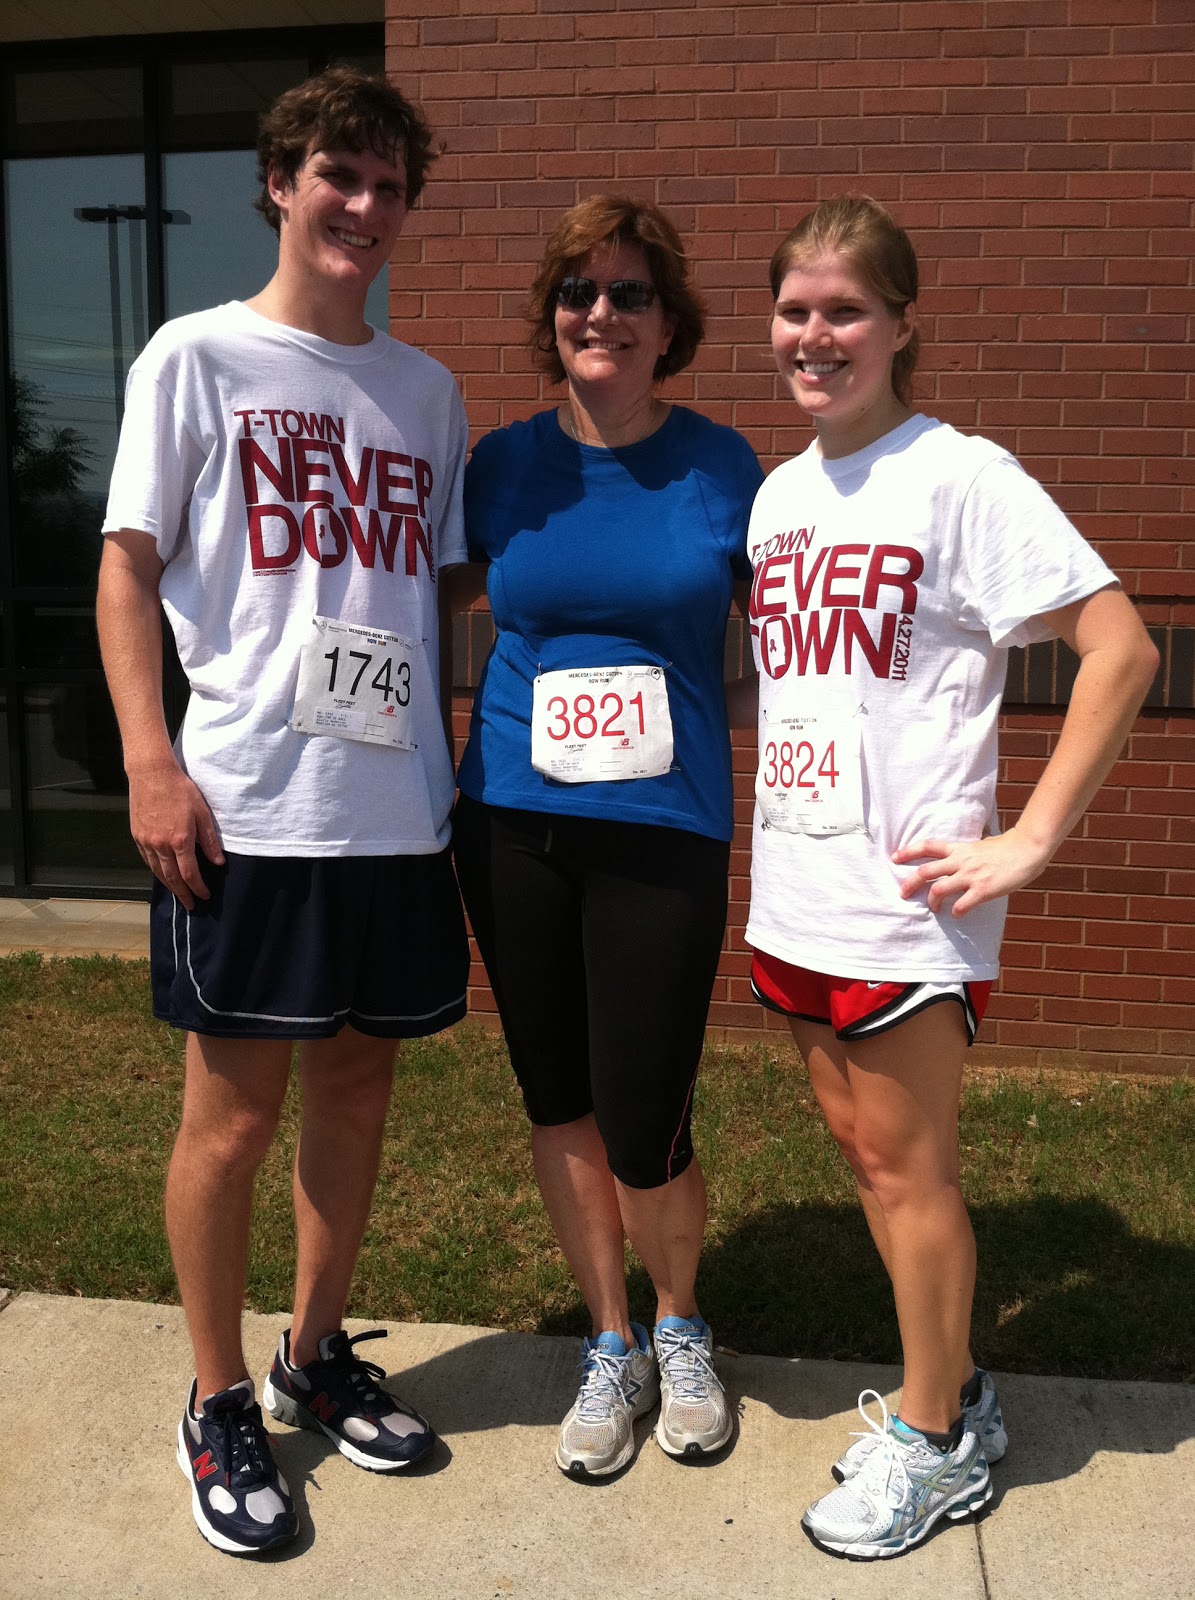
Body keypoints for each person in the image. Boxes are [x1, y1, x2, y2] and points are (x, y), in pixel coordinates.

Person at [742, 195, 1158, 1559]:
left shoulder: (959, 476)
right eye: (794, 311)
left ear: (900, 325)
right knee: (862, 1157)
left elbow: (1119, 649)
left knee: (904, 1167)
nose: (814, 336)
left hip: (905, 903)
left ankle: (935, 1441)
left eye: (844, 311)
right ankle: (951, 1387)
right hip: (798, 887)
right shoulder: (778, 496)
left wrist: (1029, 839)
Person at [96, 67, 470, 1556]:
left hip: (394, 809)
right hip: (248, 805)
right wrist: (150, 761)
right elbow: (128, 569)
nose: (363, 208)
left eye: (388, 187)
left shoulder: (425, 392)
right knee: (233, 1119)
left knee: (358, 1091)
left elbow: (435, 590)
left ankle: (312, 1354)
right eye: (338, 176)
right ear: (279, 182)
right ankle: (214, 1398)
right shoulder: (196, 358)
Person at [449, 195, 763, 1479]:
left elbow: (781, 637)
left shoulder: (722, 466)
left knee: (644, 1109)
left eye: (630, 294)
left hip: (661, 826)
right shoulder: (502, 465)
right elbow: (430, 596)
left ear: (667, 324)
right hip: (511, 820)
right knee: (559, 1095)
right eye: (579, 293)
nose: (603, 314)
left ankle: (681, 1323)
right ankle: (611, 1339)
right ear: (551, 318)